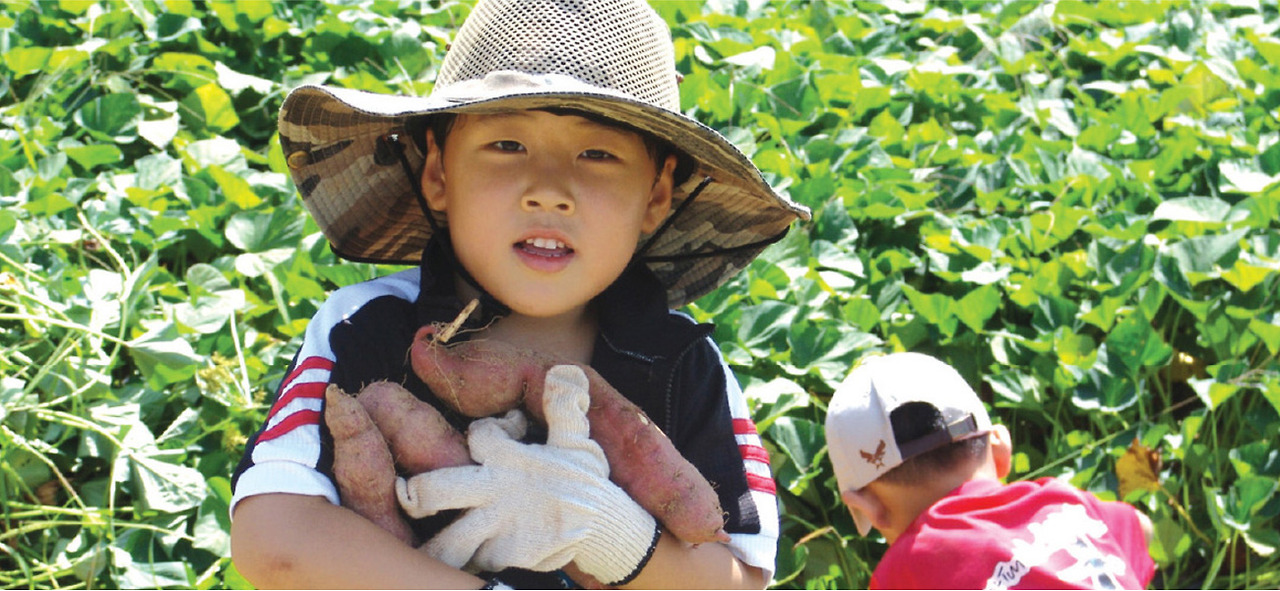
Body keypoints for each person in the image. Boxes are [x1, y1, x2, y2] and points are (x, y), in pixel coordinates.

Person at [228, 0, 810, 588]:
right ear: (438, 173)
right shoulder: (368, 327)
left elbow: (739, 579)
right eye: (508, 145)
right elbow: (275, 537)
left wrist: (612, 535)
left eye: (597, 154)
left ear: (656, 196)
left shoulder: (685, 365)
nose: (549, 191)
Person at [824, 352, 1156, 590]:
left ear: (868, 508)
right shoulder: (1063, 504)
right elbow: (1143, 528)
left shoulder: (905, 571)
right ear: (1000, 451)